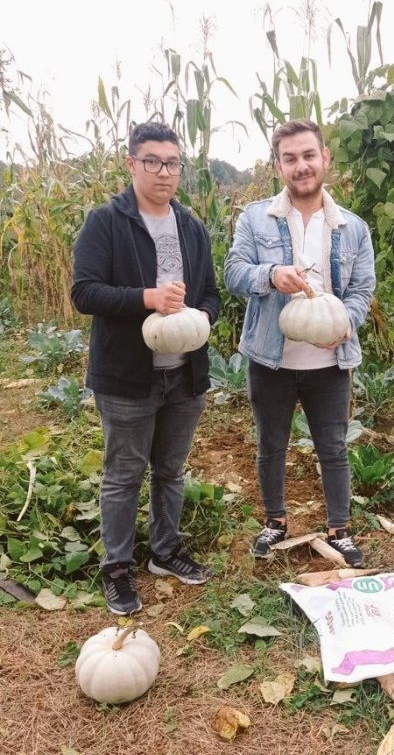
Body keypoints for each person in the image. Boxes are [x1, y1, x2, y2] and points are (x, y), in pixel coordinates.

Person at [71, 121, 220, 616]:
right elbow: (84, 292)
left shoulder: (192, 227)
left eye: (172, 163)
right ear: (131, 163)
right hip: (127, 375)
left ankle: (165, 551)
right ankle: (116, 567)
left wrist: (203, 318)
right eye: (152, 161)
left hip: (184, 372)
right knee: (124, 473)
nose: (163, 172)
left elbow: (211, 296)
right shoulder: (106, 222)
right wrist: (147, 299)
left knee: (171, 470)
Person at [224, 118, 375, 567]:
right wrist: (270, 276)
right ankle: (274, 523)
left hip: (329, 361)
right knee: (272, 444)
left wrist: (345, 320)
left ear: (325, 158)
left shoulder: (352, 227)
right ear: (278, 166)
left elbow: (362, 289)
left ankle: (339, 530)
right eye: (290, 158)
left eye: (309, 155)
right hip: (271, 358)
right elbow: (233, 273)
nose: (301, 165)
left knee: (333, 446)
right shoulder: (256, 218)